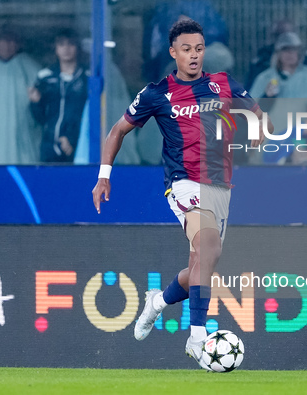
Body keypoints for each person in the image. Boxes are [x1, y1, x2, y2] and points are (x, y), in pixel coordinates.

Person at [92, 19, 271, 369]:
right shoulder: (157, 93)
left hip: (220, 185)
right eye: (186, 49)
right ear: (173, 53)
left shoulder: (222, 84)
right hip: (183, 183)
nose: (194, 55)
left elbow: (256, 110)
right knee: (208, 247)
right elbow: (118, 130)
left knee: (199, 266)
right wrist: (103, 176)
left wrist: (260, 126)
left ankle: (157, 302)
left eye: (199, 49)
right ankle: (198, 335)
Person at [249, 31, 307, 164]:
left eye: (293, 50)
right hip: (270, 139)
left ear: (300, 53)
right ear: (277, 53)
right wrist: (266, 96)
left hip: (301, 139)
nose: (290, 54)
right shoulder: (264, 78)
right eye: (285, 50)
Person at [0, 28, 41, 164]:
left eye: (11, 41)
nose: (7, 45)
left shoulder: (28, 65)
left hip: (23, 131)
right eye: (3, 41)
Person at [29, 29, 88, 163]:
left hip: (78, 142)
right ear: (55, 48)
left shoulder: (87, 76)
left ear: (77, 48)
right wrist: (35, 103)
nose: (66, 48)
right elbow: (39, 118)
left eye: (71, 44)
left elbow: (90, 113)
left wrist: (71, 137)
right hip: (50, 144)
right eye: (61, 44)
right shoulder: (45, 76)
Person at [245, 18, 307, 90]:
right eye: (278, 35)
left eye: (287, 35)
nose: (283, 39)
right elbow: (251, 88)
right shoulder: (262, 58)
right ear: (273, 36)